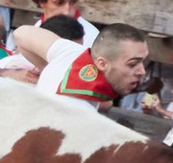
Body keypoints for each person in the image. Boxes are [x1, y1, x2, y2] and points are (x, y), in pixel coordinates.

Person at [14, 21, 147, 107]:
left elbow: (21, 33)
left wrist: (50, 69)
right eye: (132, 64)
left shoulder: (73, 53)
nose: (142, 71)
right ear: (102, 64)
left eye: (143, 61)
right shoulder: (78, 110)